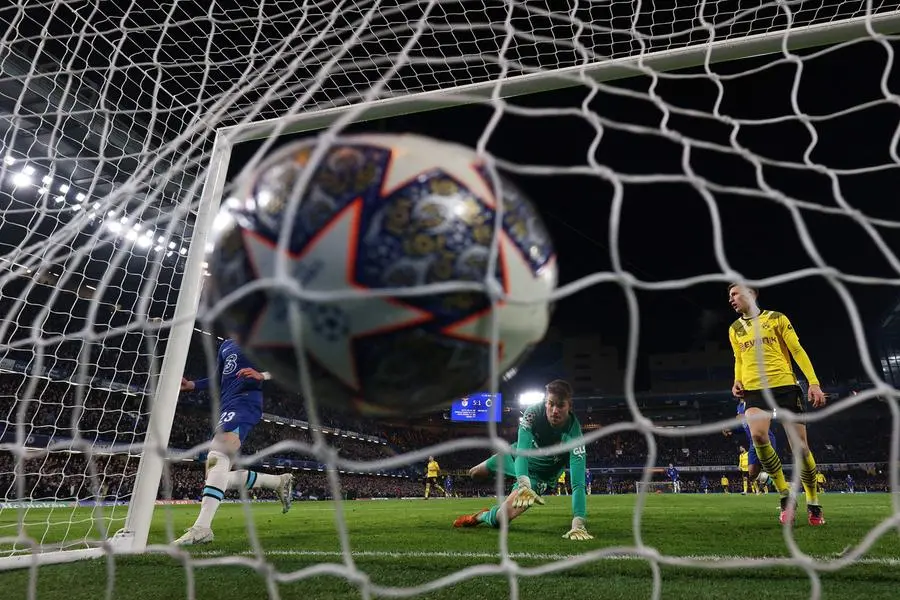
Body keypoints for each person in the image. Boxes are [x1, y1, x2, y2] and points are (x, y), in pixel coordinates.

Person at [173, 338, 294, 546]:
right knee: (215, 475)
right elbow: (217, 379)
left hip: (246, 401)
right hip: (227, 406)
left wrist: (261, 375)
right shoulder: (226, 345)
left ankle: (202, 528)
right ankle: (276, 482)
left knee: (218, 453)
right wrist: (192, 385)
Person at [727, 283, 827, 526]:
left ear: (751, 294)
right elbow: (739, 359)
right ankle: (785, 496)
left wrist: (813, 383)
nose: (730, 299)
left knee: (801, 449)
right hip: (754, 391)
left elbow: (796, 350)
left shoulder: (776, 318)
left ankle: (813, 503)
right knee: (759, 436)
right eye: (729, 296)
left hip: (784, 387)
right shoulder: (735, 328)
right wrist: (737, 380)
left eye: (734, 294)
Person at [452, 380, 591, 540]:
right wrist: (522, 481)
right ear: (545, 402)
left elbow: (578, 484)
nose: (554, 411)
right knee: (474, 473)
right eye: (551, 404)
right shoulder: (532, 413)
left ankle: (481, 516)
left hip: (537, 478)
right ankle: (510, 478)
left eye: (560, 406)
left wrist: (578, 522)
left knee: (501, 519)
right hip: (516, 456)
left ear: (569, 406)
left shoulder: (574, 436)